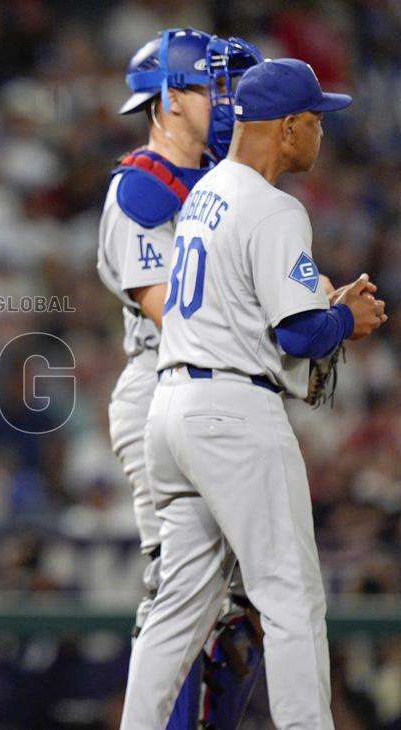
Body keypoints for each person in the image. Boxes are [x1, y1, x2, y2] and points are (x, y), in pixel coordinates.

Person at [121, 59, 387, 728]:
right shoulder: (273, 206)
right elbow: (299, 335)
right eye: (317, 121)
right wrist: (344, 318)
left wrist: (319, 304)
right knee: (291, 596)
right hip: (231, 415)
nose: (322, 135)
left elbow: (248, 307)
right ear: (290, 127)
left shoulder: (207, 191)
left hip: (172, 411)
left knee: (178, 608)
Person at [96, 28, 265, 727]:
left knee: (233, 619)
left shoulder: (218, 183)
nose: (226, 99)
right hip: (163, 385)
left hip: (215, 387)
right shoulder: (140, 189)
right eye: (209, 85)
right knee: (183, 603)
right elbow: (173, 312)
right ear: (166, 99)